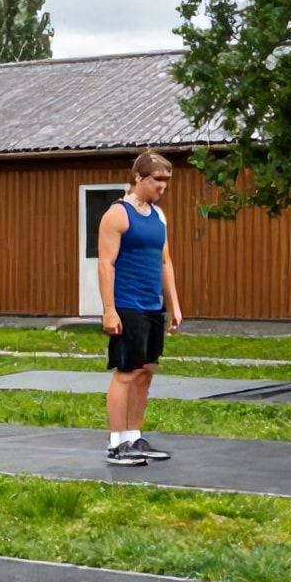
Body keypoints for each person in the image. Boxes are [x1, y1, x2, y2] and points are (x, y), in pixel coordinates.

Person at [97, 150, 183, 466]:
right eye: (158, 180)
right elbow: (106, 263)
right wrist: (109, 309)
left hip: (152, 305)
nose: (163, 186)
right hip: (127, 305)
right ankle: (116, 443)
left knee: (146, 372)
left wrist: (173, 304)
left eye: (166, 181)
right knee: (126, 373)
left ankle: (134, 437)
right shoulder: (117, 214)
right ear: (139, 178)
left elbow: (165, 262)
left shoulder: (159, 216)